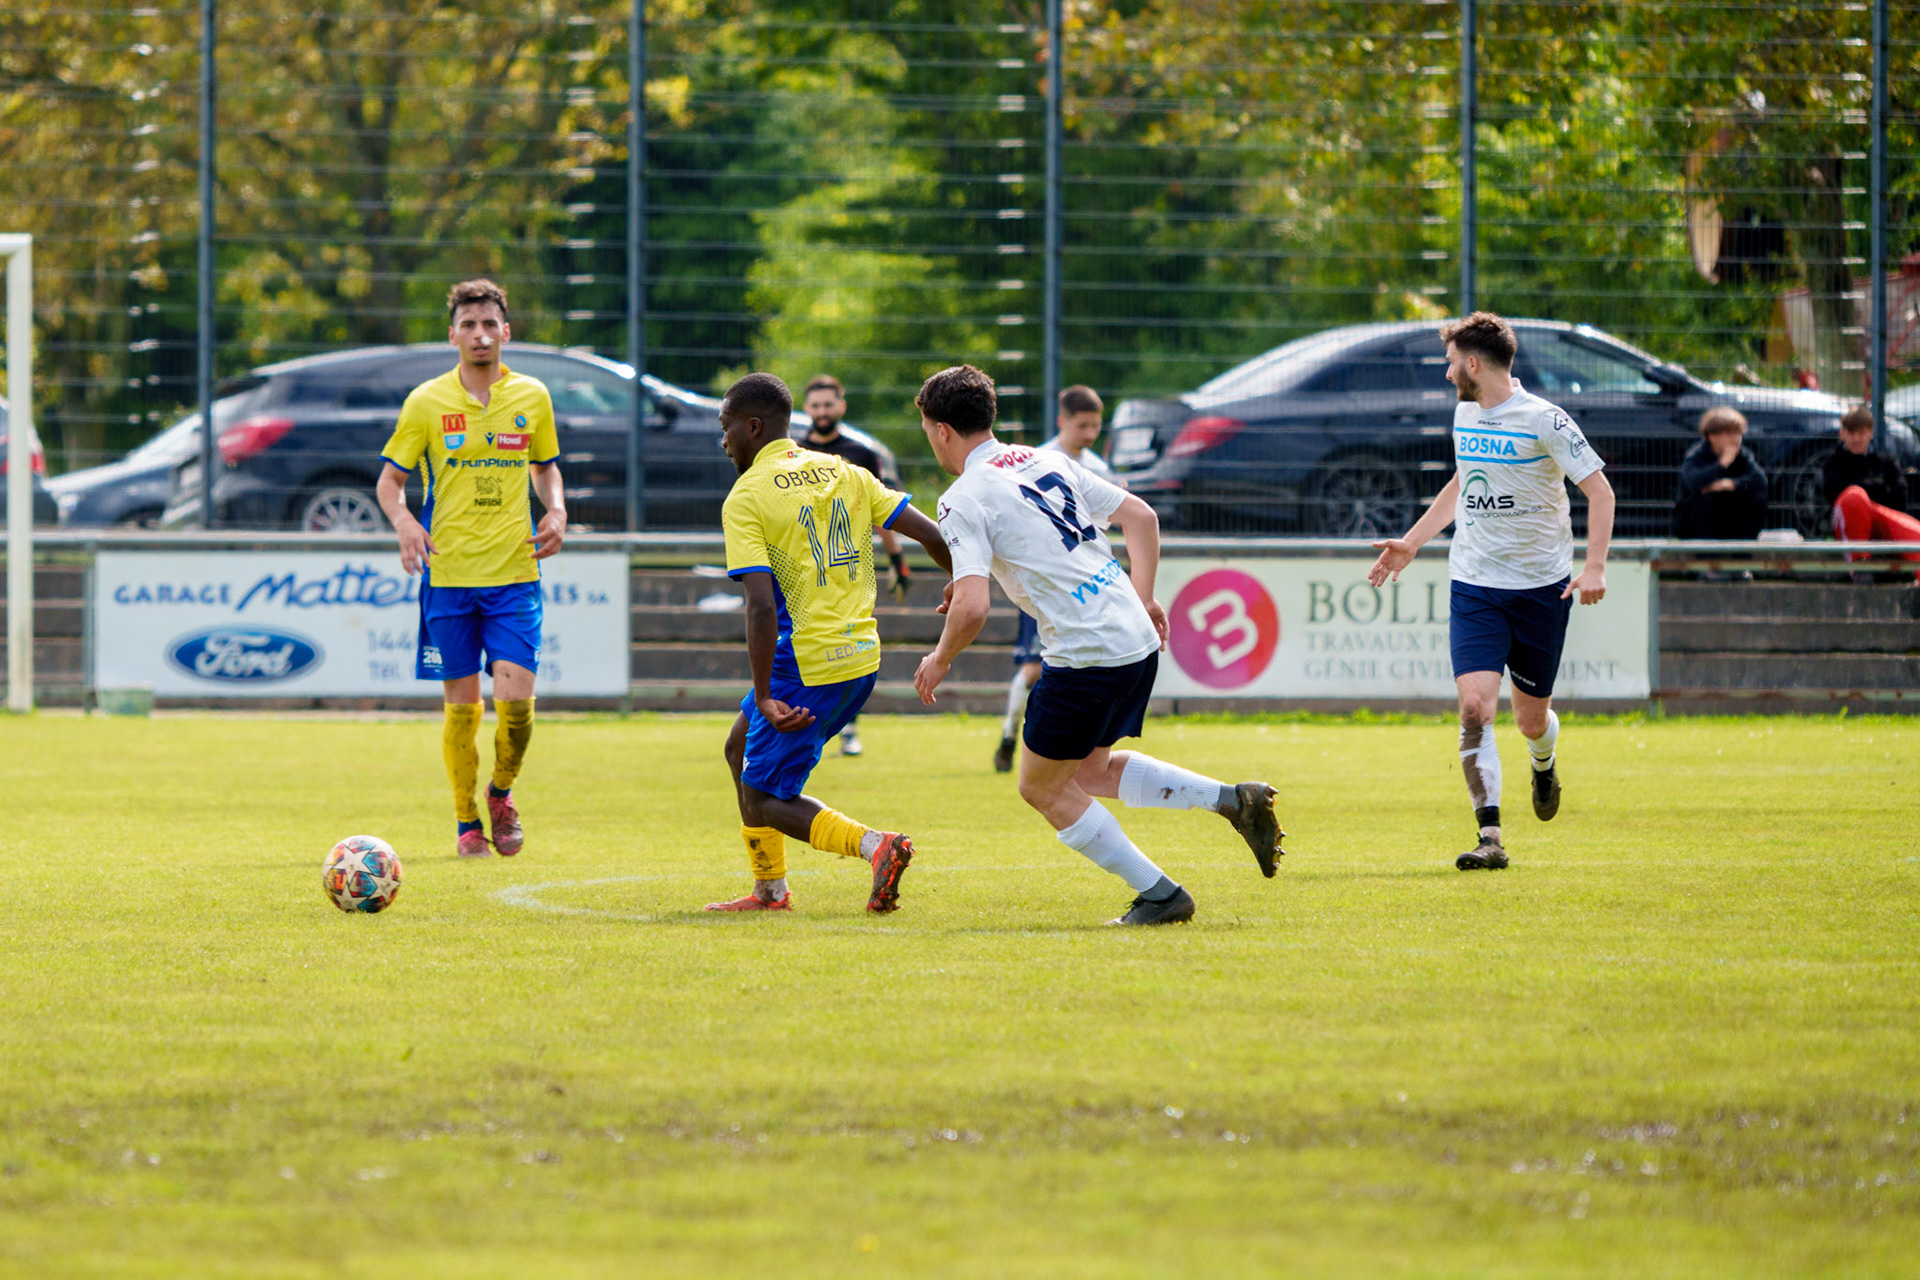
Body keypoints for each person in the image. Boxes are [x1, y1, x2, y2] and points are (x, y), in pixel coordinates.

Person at [910, 365, 1283, 927]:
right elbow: (1140, 516)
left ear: (940, 430)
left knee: (1041, 788)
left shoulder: (961, 497)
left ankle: (1160, 894)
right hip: (1134, 638)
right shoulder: (1046, 460)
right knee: (1089, 771)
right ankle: (1233, 799)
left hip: (1086, 654)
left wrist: (939, 659)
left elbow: (972, 608)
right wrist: (1145, 597)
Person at [1367, 312, 1616, 872]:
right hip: (1475, 585)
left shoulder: (1545, 420)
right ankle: (1491, 837)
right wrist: (1412, 543)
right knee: (1475, 708)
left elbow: (1600, 492)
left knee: (1530, 721)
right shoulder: (1465, 414)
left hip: (1540, 590)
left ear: (1474, 363)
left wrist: (1595, 567)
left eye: (1451, 362)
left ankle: (1543, 761)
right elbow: (1463, 480)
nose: (1447, 372)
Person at [710, 373, 954, 914]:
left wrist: (764, 694)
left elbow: (761, 607)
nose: (723, 440)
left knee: (764, 796)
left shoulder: (747, 496)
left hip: (806, 664)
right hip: (861, 657)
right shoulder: (847, 472)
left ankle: (876, 846)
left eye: (726, 427)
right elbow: (935, 536)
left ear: (753, 427)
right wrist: (961, 583)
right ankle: (770, 891)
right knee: (737, 748)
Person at [375, 279, 566, 858]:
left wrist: (557, 509)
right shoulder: (426, 402)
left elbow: (544, 467)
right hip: (448, 578)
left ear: (506, 331)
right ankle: (466, 822)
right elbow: (389, 483)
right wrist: (405, 523)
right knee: (461, 710)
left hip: (515, 574)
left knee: (517, 707)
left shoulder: (532, 396)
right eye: (468, 325)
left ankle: (500, 793)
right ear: (452, 334)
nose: (480, 335)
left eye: (489, 325)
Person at [995, 384, 1117, 773]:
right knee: (1034, 670)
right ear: (1063, 420)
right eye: (1083, 425)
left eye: (1096, 426)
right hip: (1045, 585)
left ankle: (1076, 748)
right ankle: (1009, 735)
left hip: (1085, 588)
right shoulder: (1035, 462)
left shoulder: (1099, 469)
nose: (1090, 434)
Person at [799, 374, 911, 758]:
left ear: (841, 406)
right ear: (806, 408)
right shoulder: (794, 453)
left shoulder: (861, 454)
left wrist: (897, 560)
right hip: (803, 568)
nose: (822, 411)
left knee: (849, 647)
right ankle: (805, 723)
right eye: (816, 405)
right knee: (802, 646)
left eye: (828, 404)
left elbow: (882, 512)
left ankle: (848, 729)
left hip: (848, 569)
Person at [1825, 404, 1920, 575]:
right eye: (1851, 433)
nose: (1856, 439)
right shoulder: (1833, 464)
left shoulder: (1887, 462)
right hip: (1849, 526)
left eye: (1861, 433)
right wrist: (1878, 488)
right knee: (1854, 498)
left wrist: (1864, 492)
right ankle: (1860, 567)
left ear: (1870, 433)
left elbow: (1900, 500)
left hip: (1883, 522)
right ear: (1842, 433)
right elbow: (1836, 496)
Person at [1672, 406, 1767, 540]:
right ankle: (1703, 546)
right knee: (1705, 498)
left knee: (1756, 496)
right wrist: (1721, 464)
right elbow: (1693, 482)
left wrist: (1732, 484)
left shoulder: (1742, 455)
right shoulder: (1697, 455)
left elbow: (1760, 481)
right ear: (1712, 436)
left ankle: (1744, 543)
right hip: (1695, 525)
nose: (1735, 439)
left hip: (1730, 520)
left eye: (1738, 433)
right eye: (1729, 434)